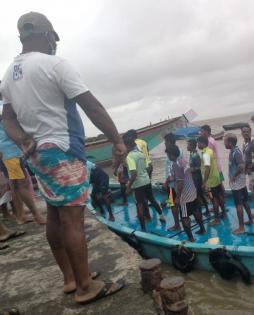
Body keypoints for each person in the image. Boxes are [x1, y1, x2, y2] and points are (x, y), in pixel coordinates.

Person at [0, 12, 125, 303]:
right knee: (73, 219)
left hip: (38, 155)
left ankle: (70, 278)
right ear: (46, 34)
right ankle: (85, 286)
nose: (55, 43)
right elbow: (91, 106)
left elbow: (7, 118)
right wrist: (117, 140)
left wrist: (23, 140)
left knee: (56, 214)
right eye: (54, 38)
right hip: (64, 152)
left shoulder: (9, 74)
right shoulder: (54, 64)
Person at [0, 90, 46, 225]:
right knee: (22, 183)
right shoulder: (4, 106)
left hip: (9, 152)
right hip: (11, 152)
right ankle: (35, 215)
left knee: (15, 184)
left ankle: (20, 215)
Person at [123, 133, 165, 231]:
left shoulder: (129, 157)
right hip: (146, 180)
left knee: (139, 205)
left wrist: (129, 186)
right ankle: (162, 216)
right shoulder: (141, 154)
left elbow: (133, 173)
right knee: (152, 199)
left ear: (128, 146)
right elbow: (147, 168)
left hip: (138, 184)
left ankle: (143, 228)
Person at [166, 144, 205, 242]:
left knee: (184, 217)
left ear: (172, 155)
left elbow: (180, 182)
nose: (168, 156)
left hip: (184, 196)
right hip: (192, 192)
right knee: (196, 211)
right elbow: (183, 176)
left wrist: (178, 197)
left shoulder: (176, 164)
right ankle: (202, 229)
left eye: (168, 154)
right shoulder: (183, 161)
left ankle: (191, 238)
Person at [224, 133, 254, 234]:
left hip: (237, 183)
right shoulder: (233, 151)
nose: (224, 143)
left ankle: (241, 227)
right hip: (241, 182)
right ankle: (250, 219)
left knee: (238, 204)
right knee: (245, 201)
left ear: (230, 143)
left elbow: (241, 166)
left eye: (225, 141)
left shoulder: (235, 153)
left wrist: (233, 176)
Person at [197, 135, 225, 226]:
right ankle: (223, 212)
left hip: (211, 180)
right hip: (216, 177)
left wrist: (204, 182)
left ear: (203, 143)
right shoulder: (210, 151)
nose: (198, 145)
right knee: (219, 196)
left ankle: (216, 219)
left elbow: (207, 168)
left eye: (198, 143)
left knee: (214, 200)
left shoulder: (205, 154)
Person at [200, 125, 227, 212]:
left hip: (213, 169)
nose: (200, 133)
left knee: (217, 190)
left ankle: (220, 204)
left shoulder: (209, 142)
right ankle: (222, 203)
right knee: (220, 187)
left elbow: (208, 159)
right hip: (216, 167)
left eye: (202, 131)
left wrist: (204, 181)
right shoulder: (212, 139)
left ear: (206, 131)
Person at [164, 133, 182, 230]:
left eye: (165, 141)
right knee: (179, 204)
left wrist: (166, 181)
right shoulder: (179, 151)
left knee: (173, 204)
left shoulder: (171, 154)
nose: (164, 143)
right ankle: (180, 222)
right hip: (177, 183)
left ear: (169, 141)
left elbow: (172, 169)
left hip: (172, 183)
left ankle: (177, 224)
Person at [187, 139, 210, 216]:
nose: (187, 146)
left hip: (197, 178)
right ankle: (203, 209)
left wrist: (191, 170)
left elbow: (198, 167)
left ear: (192, 146)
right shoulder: (191, 154)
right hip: (193, 178)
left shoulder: (195, 155)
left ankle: (202, 210)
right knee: (199, 194)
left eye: (188, 145)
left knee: (199, 195)